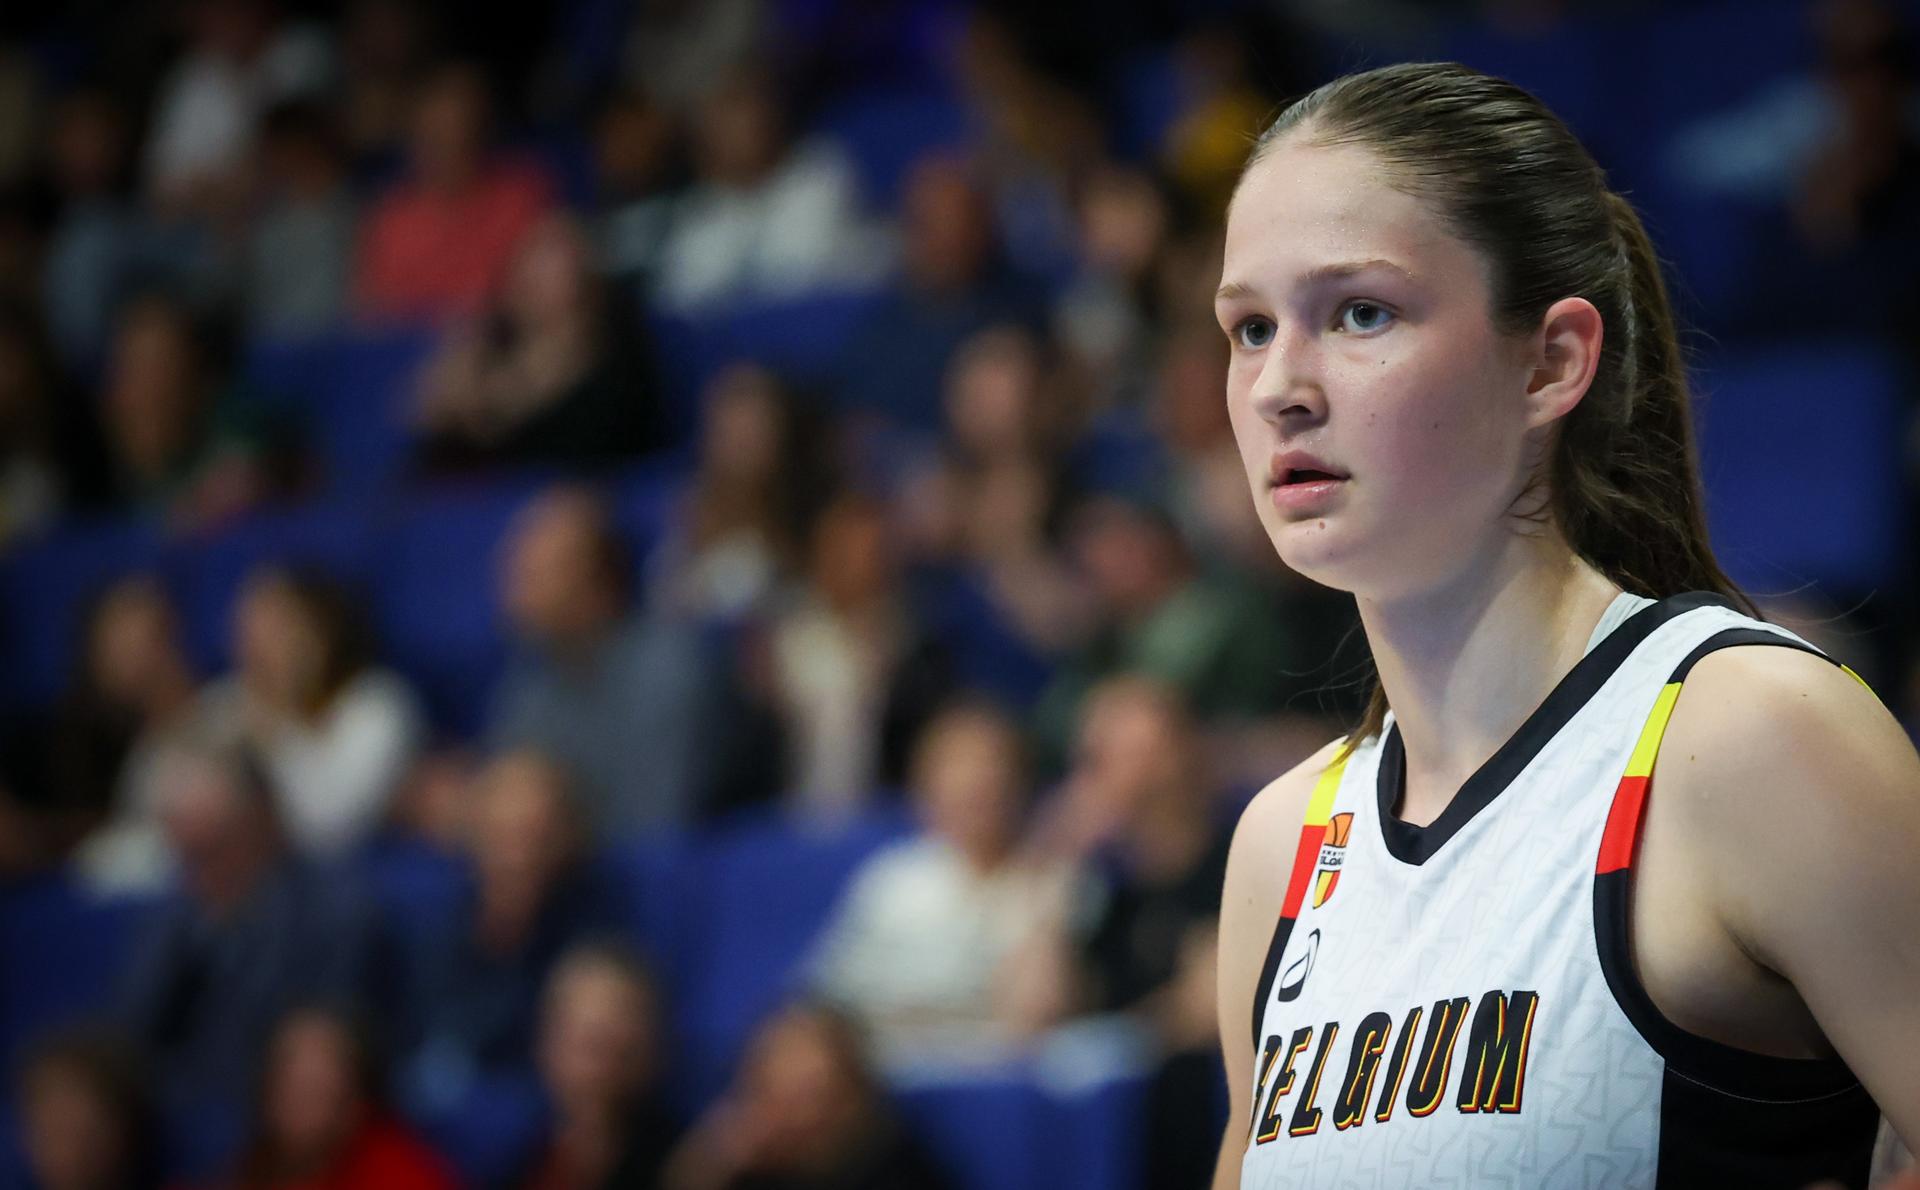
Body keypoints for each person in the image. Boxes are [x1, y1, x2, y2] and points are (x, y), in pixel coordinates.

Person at [1208, 63, 1920, 1189]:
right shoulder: (1282, 845)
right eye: (1250, 327)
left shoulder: (1751, 738)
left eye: (1360, 313)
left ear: (1552, 361)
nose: (1277, 386)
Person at [211, 1005, 455, 1190]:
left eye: (314, 1092)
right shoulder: (248, 1166)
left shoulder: (401, 1175)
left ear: (353, 1104)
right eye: (286, 1087)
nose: (296, 1107)